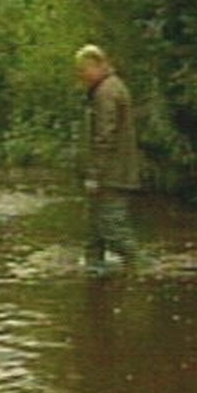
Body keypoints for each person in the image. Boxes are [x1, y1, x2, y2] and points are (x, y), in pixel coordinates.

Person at [75, 44, 141, 275]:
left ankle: (140, 267)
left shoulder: (107, 92)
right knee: (93, 231)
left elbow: (105, 135)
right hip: (111, 171)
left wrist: (94, 174)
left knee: (113, 227)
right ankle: (93, 273)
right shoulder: (108, 88)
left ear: (97, 65)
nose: (81, 76)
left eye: (83, 70)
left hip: (113, 174)